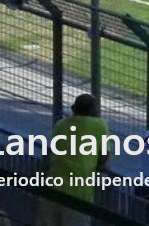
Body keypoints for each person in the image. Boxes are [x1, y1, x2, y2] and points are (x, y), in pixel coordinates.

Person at [39, 93, 110, 226]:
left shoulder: (60, 124)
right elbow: (104, 157)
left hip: (52, 188)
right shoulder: (99, 126)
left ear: (73, 109)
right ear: (93, 111)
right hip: (78, 194)